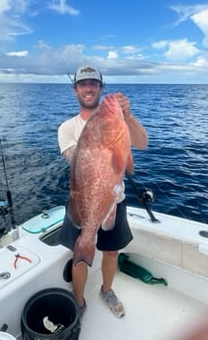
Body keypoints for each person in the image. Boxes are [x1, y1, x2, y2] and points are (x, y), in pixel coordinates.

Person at [57, 66, 148, 318]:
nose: (89, 88)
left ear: (100, 87)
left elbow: (142, 143)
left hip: (113, 201)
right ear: (75, 89)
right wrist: (99, 144)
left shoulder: (117, 120)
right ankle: (78, 301)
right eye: (83, 84)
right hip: (82, 200)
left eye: (93, 84)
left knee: (111, 251)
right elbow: (74, 160)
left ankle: (107, 290)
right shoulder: (67, 128)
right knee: (80, 250)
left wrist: (127, 117)